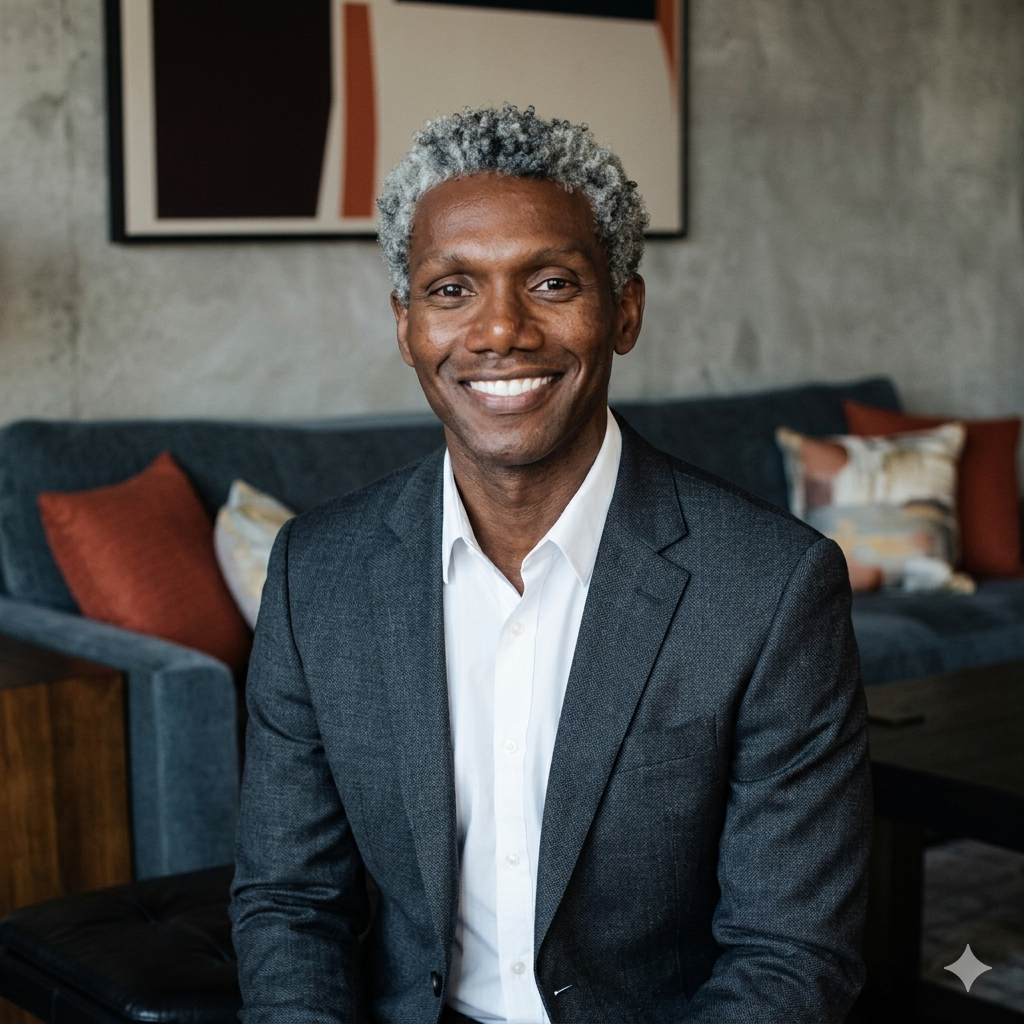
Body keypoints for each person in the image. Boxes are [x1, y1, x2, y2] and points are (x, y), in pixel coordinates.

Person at [230, 104, 872, 1023]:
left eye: (552, 282)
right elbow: (291, 906)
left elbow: (787, 959)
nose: (500, 332)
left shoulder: (772, 588)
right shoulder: (315, 574)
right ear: (405, 324)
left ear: (625, 310)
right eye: (453, 289)